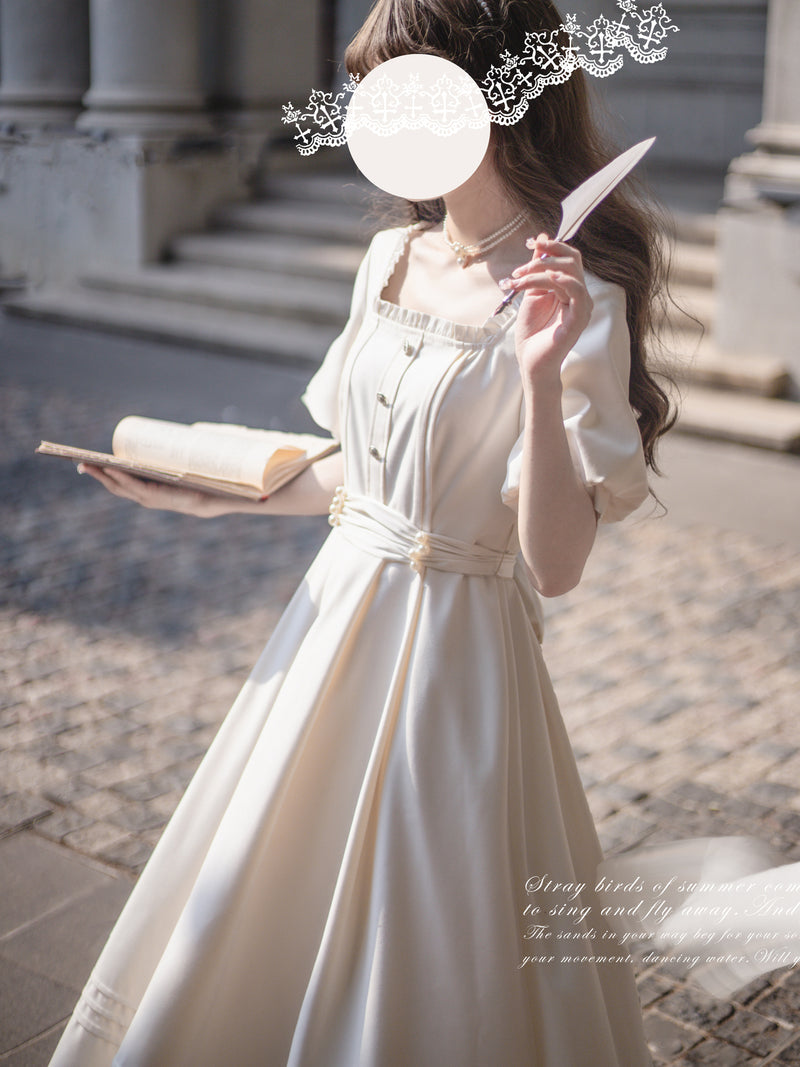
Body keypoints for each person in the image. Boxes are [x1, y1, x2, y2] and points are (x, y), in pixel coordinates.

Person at [50, 1, 674, 1064]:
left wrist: (536, 375)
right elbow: (367, 477)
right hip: (330, 626)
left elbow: (555, 565)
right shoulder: (388, 255)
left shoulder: (578, 295)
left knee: (433, 938)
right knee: (258, 890)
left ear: (490, 95)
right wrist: (210, 493)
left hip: (454, 663)